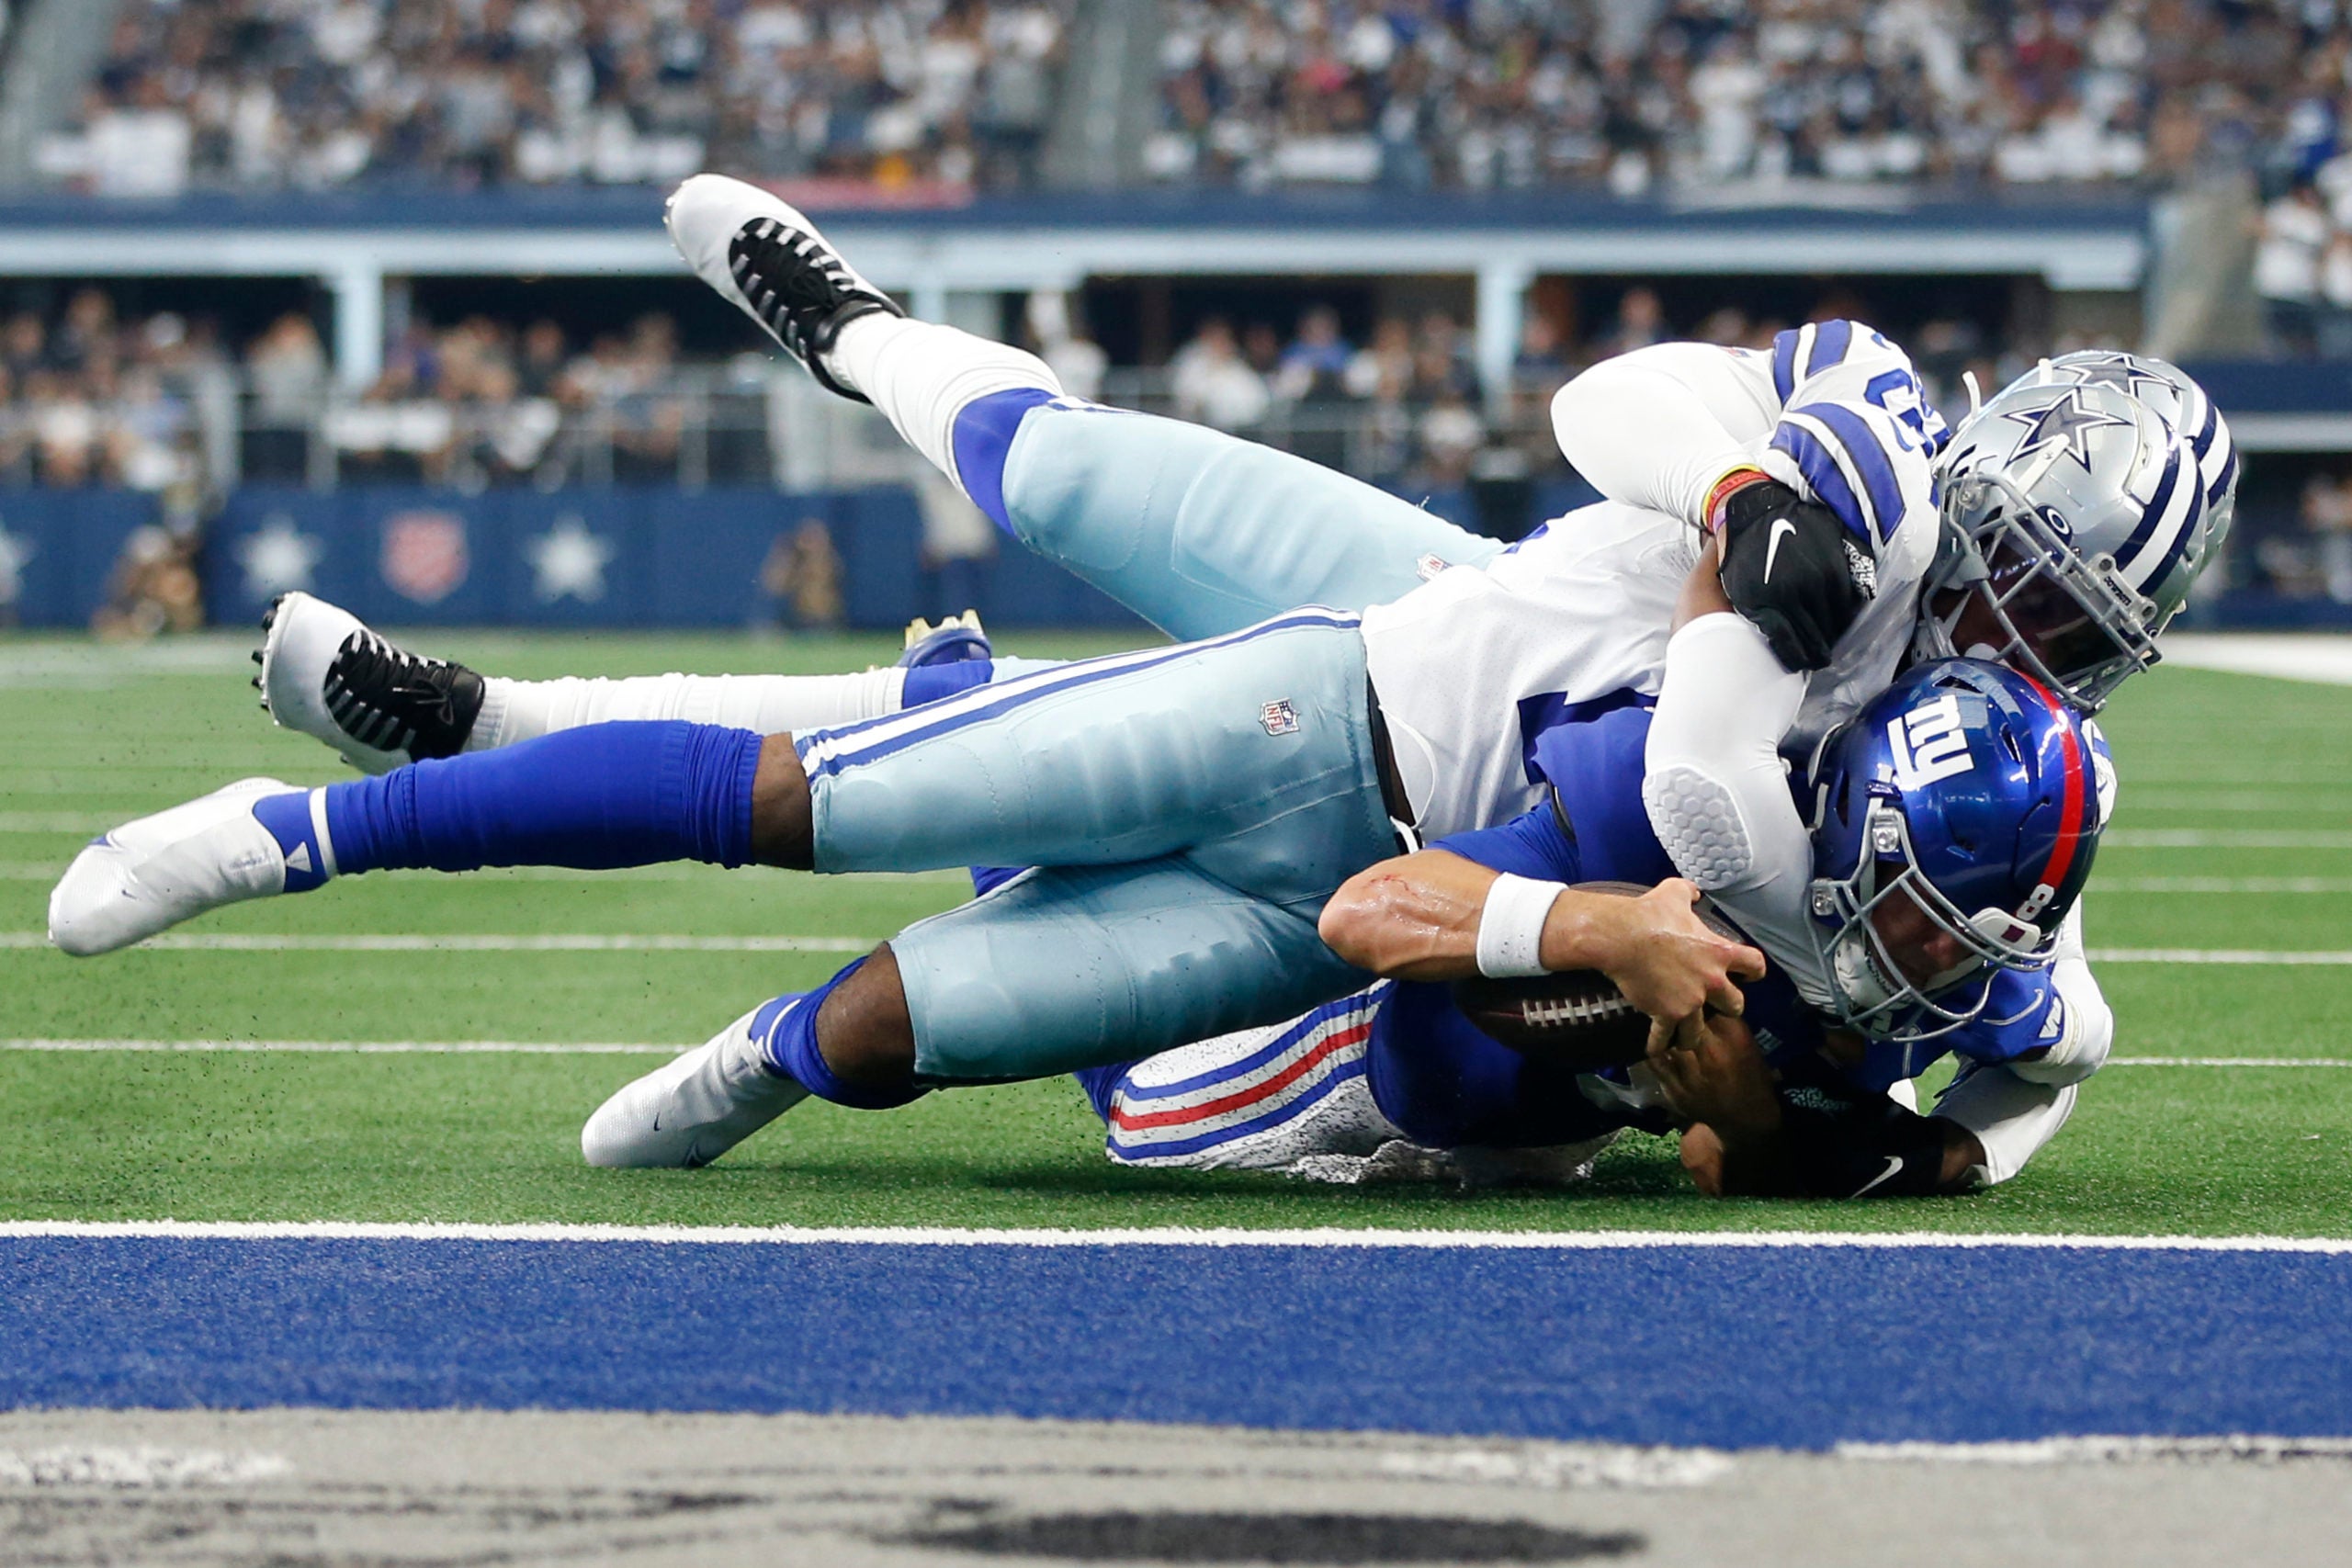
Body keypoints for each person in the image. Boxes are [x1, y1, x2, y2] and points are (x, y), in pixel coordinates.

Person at [584, 657, 2105, 1181]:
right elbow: (1381, 908)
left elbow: (1760, 1159)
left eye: (1975, 934)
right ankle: (976, 746)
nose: (1940, 964)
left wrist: (1767, 1127)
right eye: (1917, 921)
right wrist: (1589, 931)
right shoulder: (1687, 815)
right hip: (1389, 1027)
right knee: (1135, 1115)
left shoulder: (2011, 994)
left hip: (1535, 1120)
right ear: (1846, 832)